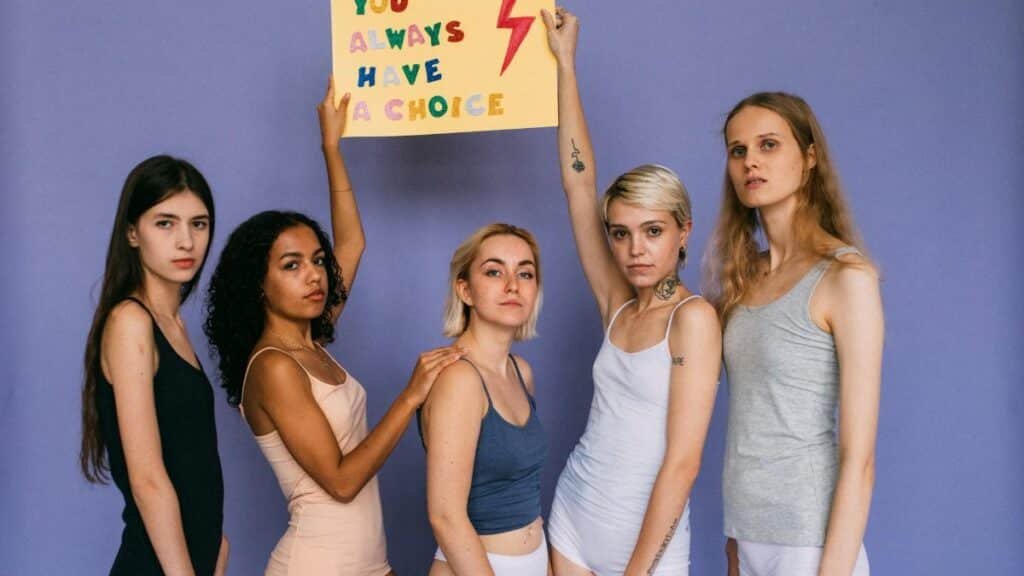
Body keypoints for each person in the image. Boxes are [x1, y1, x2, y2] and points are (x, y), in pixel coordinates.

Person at [203, 78, 463, 575]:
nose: (315, 275)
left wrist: (331, 148)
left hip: (368, 565)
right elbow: (341, 482)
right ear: (258, 285)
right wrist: (410, 396)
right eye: (292, 265)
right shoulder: (273, 368)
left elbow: (352, 244)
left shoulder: (311, 343)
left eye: (317, 261)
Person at [541, 7, 722, 576]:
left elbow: (684, 463)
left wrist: (637, 571)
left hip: (646, 545)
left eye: (653, 231)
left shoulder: (693, 320)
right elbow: (578, 184)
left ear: (683, 231)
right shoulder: (616, 305)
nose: (634, 249)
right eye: (620, 233)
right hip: (574, 516)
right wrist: (566, 64)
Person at [707, 92, 883, 576]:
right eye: (738, 150)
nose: (750, 161)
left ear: (809, 158)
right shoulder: (742, 281)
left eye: (768, 145)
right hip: (747, 534)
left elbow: (860, 459)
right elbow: (752, 421)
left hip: (810, 544)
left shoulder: (846, 277)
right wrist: (734, 542)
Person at [80, 155, 228, 575]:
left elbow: (192, 457)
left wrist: (218, 546)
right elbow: (147, 480)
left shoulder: (173, 325)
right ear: (132, 232)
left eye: (198, 224)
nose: (186, 241)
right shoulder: (131, 322)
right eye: (165, 223)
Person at [420, 223, 549, 576]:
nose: (513, 285)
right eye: (494, 272)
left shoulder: (520, 371)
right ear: (465, 290)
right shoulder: (460, 379)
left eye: (525, 273)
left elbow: (524, 488)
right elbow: (445, 516)